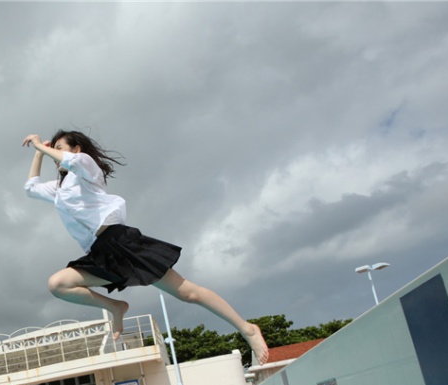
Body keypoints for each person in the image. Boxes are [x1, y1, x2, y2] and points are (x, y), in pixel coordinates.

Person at [22, 129, 269, 365]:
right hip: (100, 252)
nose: (56, 155)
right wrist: (39, 152)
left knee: (187, 293)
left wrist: (39, 144)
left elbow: (71, 161)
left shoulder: (86, 166)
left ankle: (248, 329)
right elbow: (31, 189)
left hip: (123, 242)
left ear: (76, 148)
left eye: (59, 148)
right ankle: (115, 307)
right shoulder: (60, 190)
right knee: (58, 284)